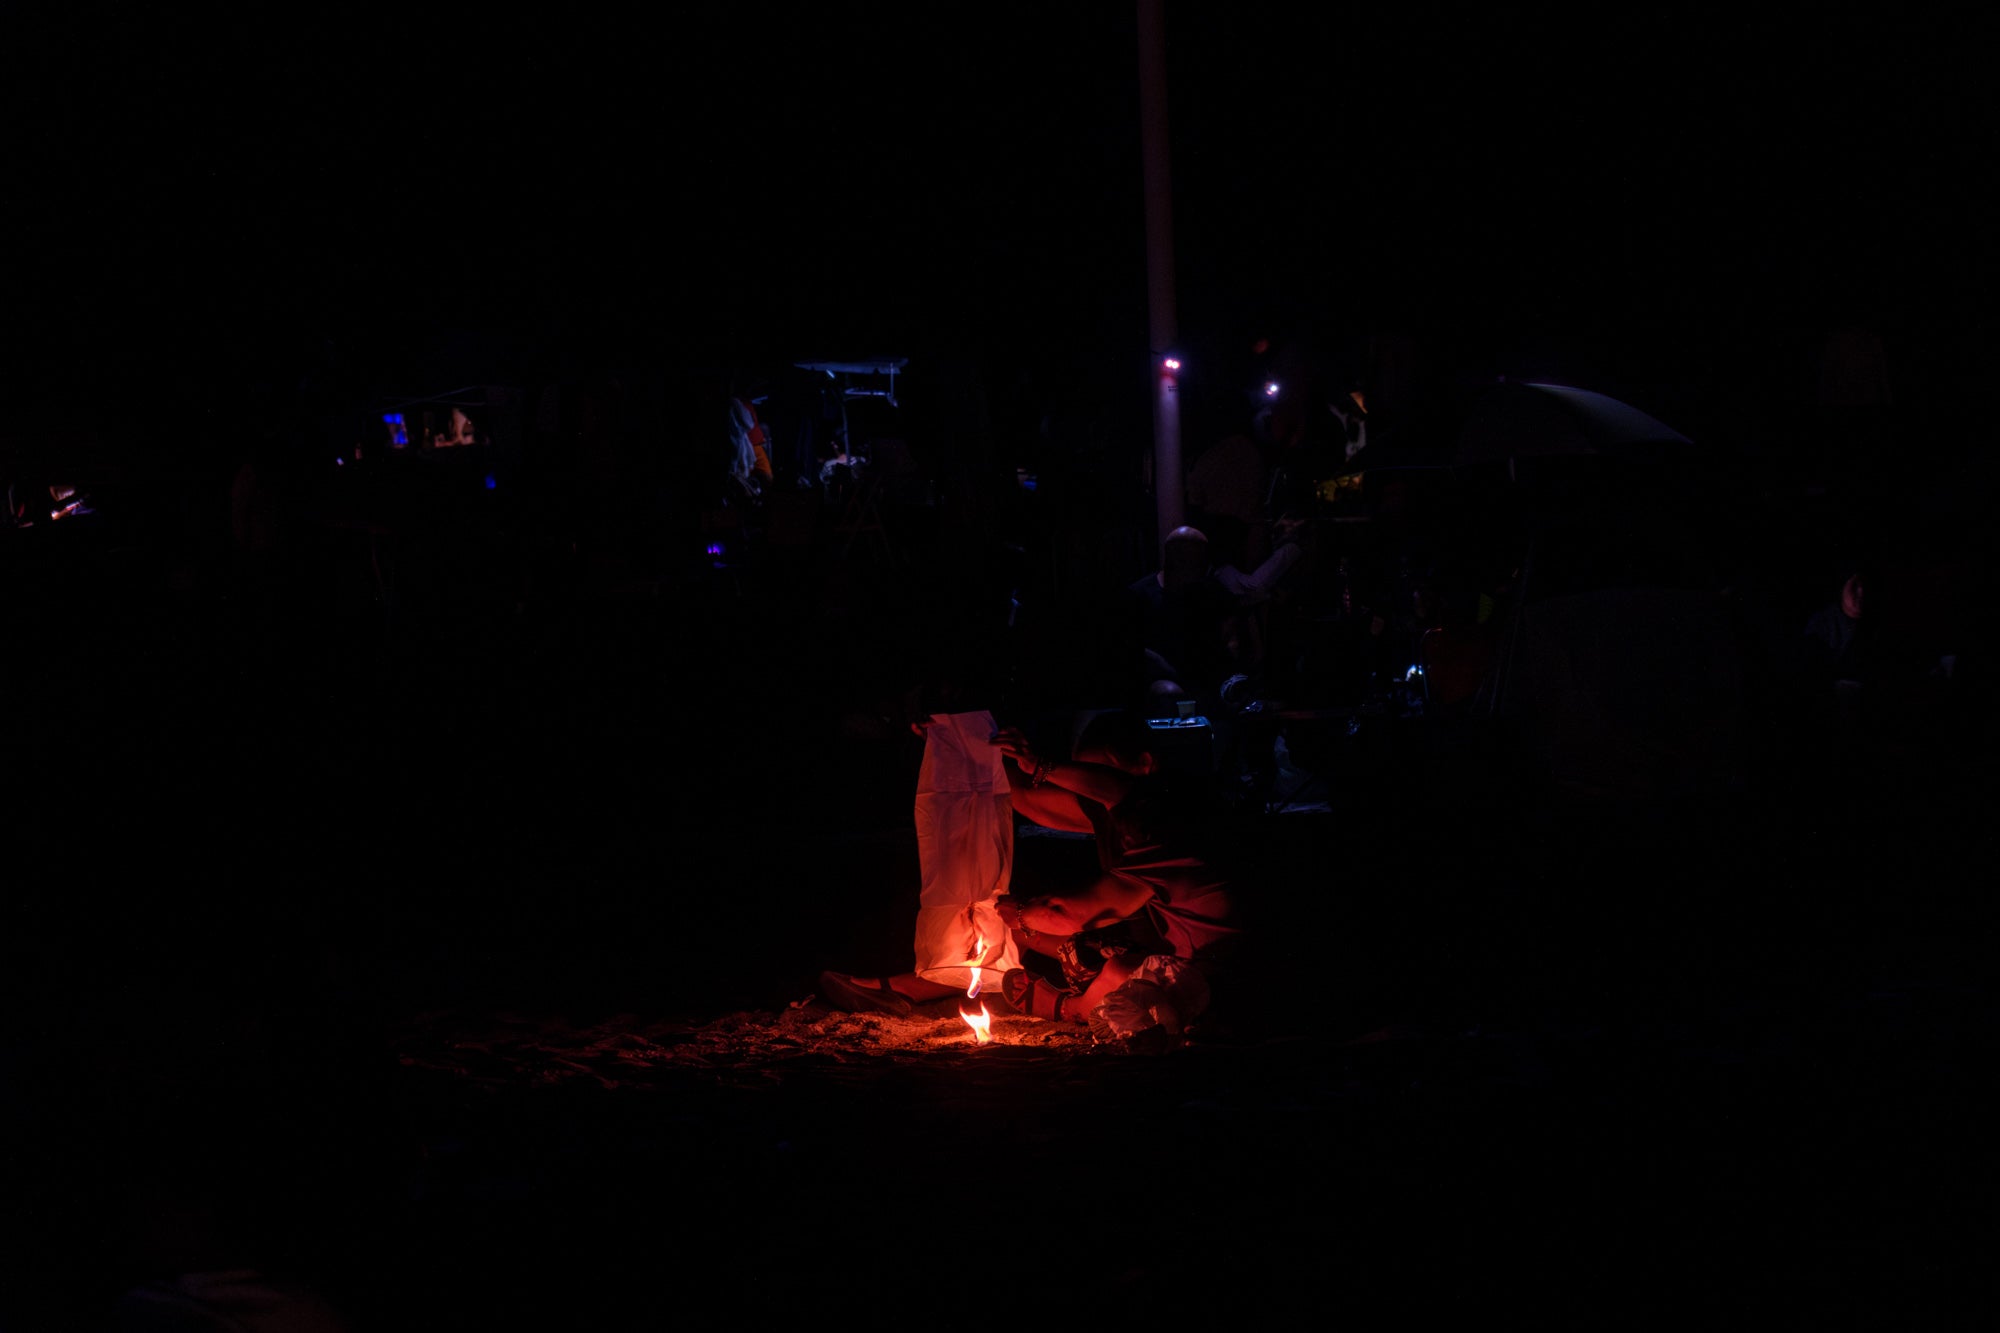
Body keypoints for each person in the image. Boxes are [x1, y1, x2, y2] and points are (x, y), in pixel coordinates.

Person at [987, 709, 1245, 1042]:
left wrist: (1019, 912)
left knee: (1116, 969)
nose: (1083, 785)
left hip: (1216, 976)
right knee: (1072, 945)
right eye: (1078, 772)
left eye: (1092, 773)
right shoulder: (1119, 809)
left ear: (1144, 763)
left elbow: (1072, 913)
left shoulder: (1166, 826)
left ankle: (1073, 1008)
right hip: (1167, 951)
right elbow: (1027, 798)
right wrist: (974, 742)